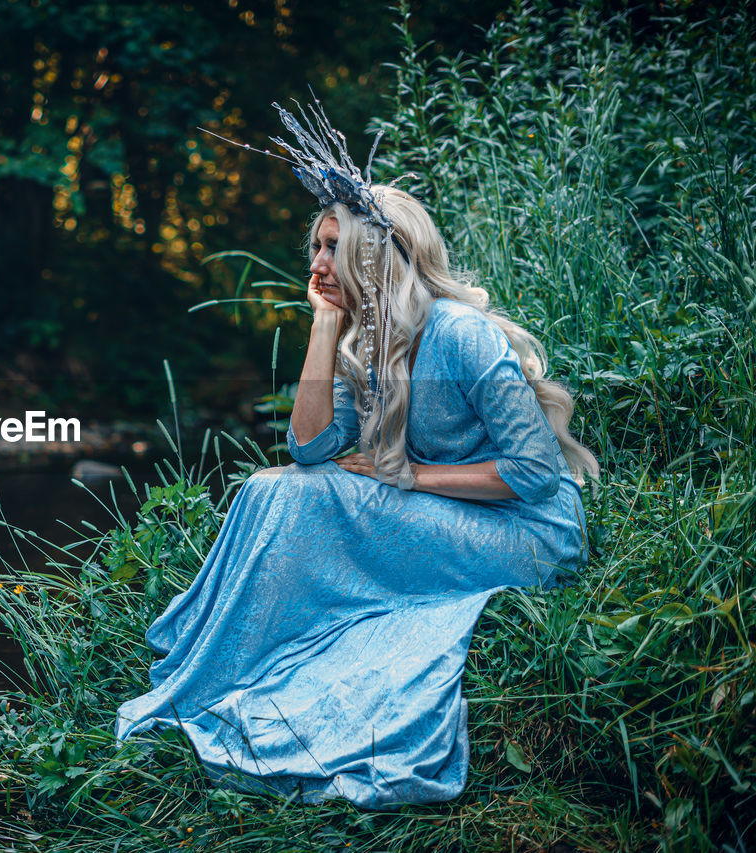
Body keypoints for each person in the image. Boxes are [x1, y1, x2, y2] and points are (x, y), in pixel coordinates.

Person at [113, 100, 599, 808]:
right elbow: (309, 447)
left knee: (310, 496)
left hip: (531, 534)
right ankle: (227, 665)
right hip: (445, 513)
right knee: (271, 488)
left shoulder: (462, 335)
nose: (316, 262)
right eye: (315, 246)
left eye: (330, 246)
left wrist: (406, 474)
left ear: (375, 252)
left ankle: (239, 668)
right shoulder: (364, 342)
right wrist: (324, 321)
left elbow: (531, 475)